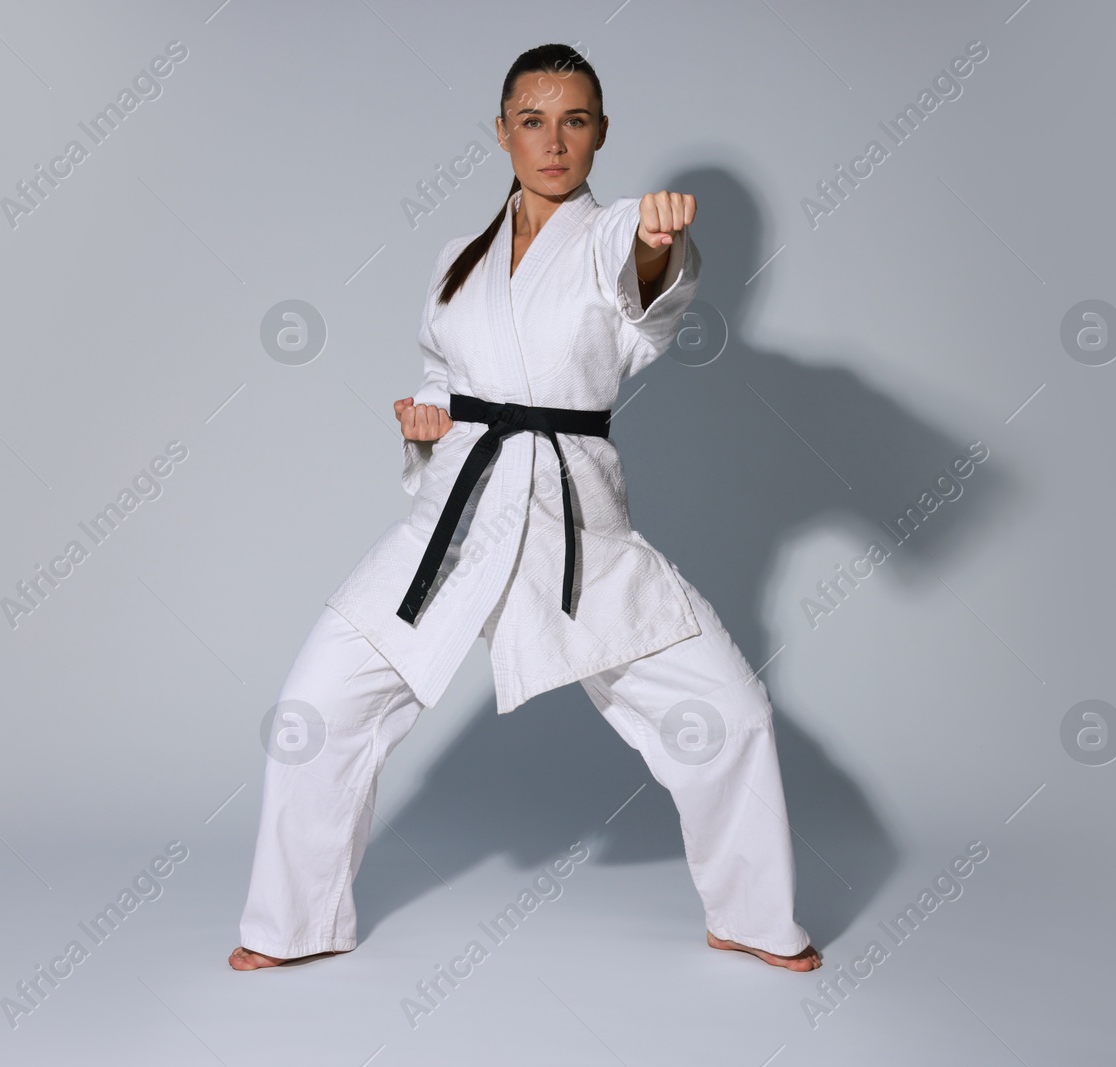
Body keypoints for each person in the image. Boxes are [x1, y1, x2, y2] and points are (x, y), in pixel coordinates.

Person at [231, 44, 821, 973]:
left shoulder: (615, 232)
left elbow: (647, 294)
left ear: (601, 134)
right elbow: (444, 374)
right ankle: (290, 925)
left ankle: (750, 914)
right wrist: (421, 423)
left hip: (573, 523)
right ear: (502, 131)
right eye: (534, 121)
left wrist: (658, 243)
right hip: (456, 521)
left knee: (732, 711)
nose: (554, 142)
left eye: (576, 120)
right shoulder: (456, 260)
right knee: (315, 705)